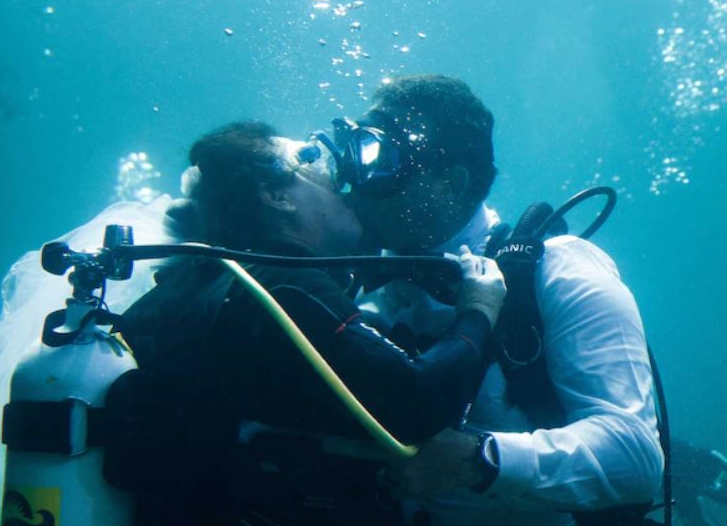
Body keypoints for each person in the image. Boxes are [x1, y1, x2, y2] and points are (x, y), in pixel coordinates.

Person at [118, 120, 508, 524]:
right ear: (277, 196)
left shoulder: (198, 283)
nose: (343, 188)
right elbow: (419, 405)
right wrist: (479, 308)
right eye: (316, 172)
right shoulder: (286, 288)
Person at [337, 75, 665, 525]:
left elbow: (635, 456)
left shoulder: (557, 272)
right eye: (351, 151)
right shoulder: (353, 283)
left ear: (449, 184)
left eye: (379, 160)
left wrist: (480, 459)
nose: (355, 181)